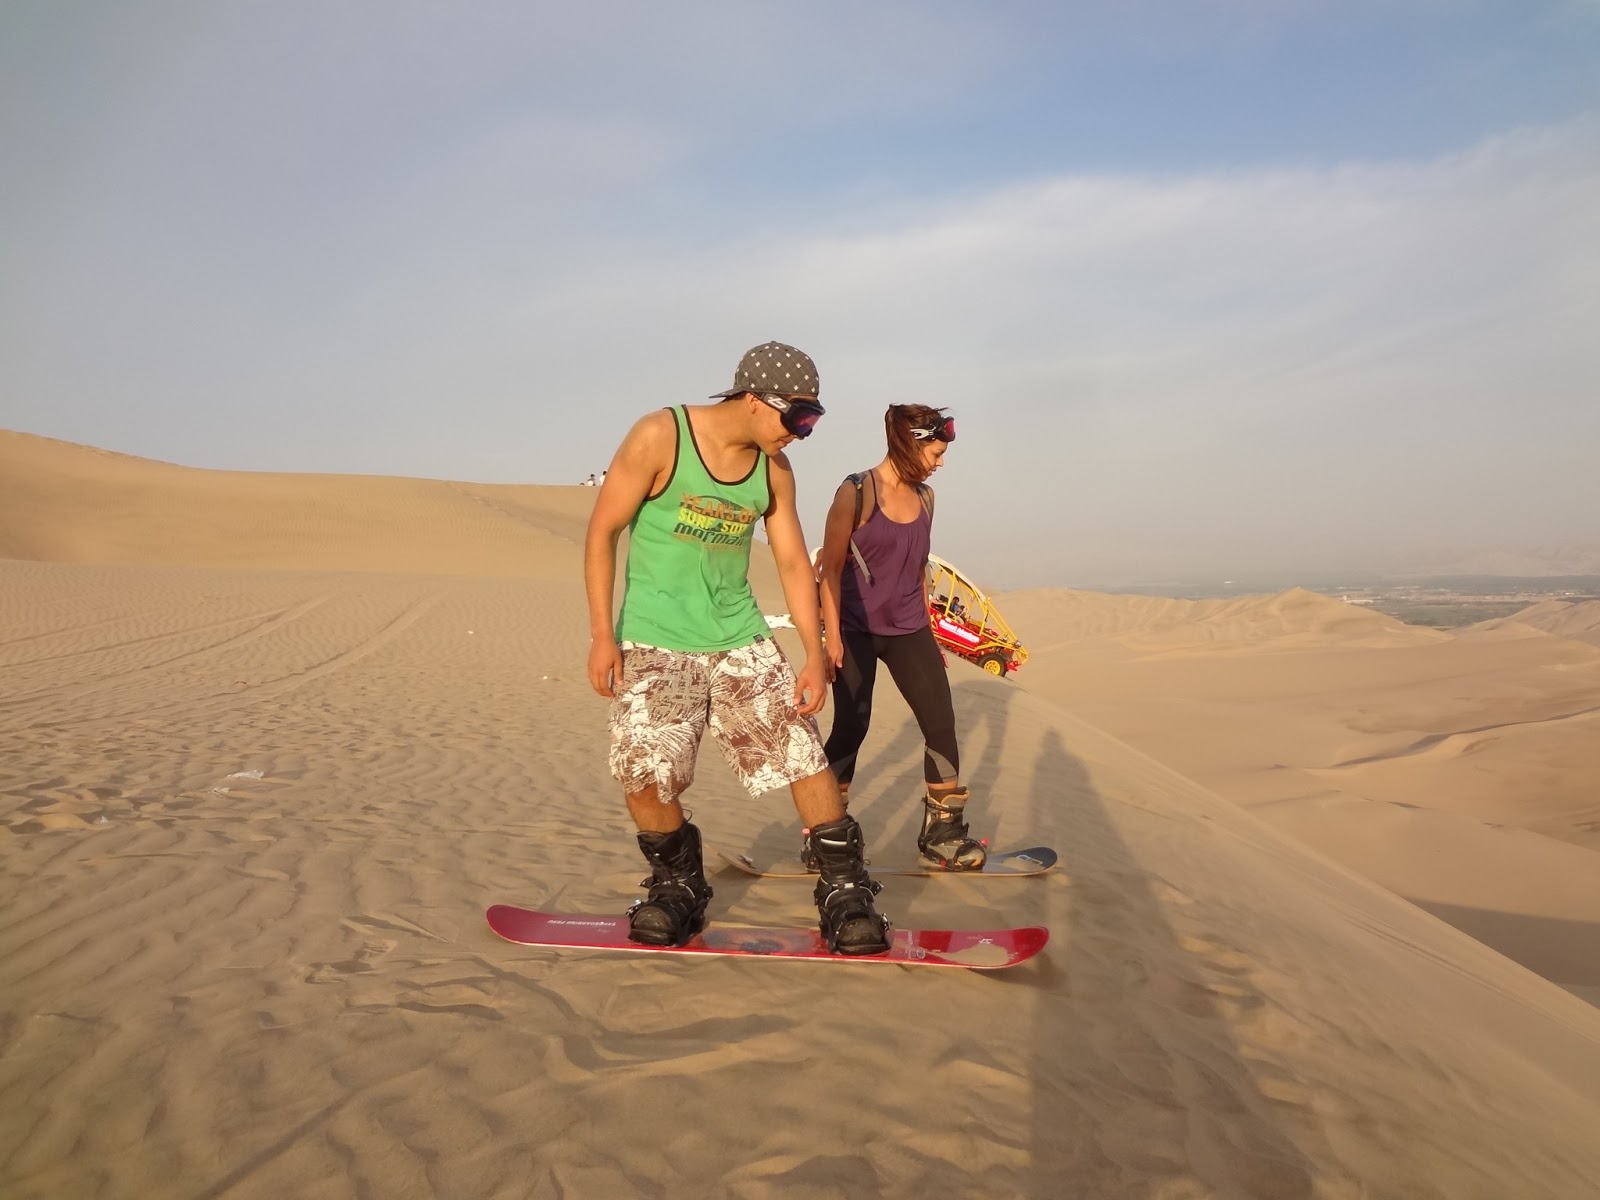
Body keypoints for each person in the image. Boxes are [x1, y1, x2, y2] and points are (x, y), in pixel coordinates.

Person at [584, 341, 891, 955]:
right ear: (754, 400)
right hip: (655, 637)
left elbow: (789, 562)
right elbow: (602, 532)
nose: (803, 434)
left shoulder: (772, 469)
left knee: (801, 754)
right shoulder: (659, 436)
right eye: (798, 418)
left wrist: (811, 652)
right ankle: (677, 887)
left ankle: (845, 892)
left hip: (738, 636)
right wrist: (601, 635)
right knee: (644, 772)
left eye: (814, 420)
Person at [815, 404, 985, 869]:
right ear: (911, 443)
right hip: (855, 629)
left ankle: (942, 835)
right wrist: (830, 639)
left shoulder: (927, 498)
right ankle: (825, 835)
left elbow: (916, 571)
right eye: (936, 450)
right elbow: (829, 570)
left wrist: (931, 633)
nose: (941, 461)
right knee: (852, 726)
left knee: (941, 725)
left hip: (910, 629)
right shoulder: (855, 492)